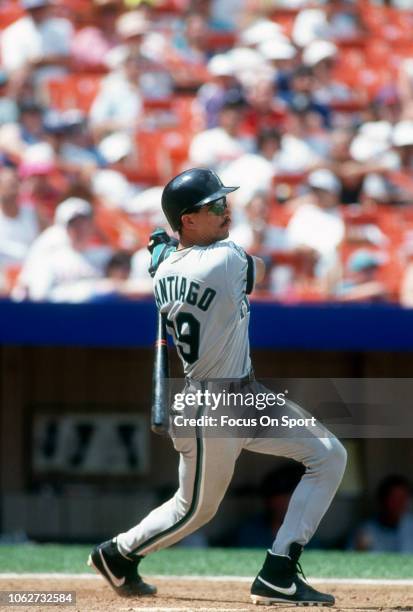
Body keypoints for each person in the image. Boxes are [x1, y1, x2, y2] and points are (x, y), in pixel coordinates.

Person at [88, 168, 347, 606]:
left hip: (243, 391)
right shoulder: (225, 258)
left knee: (328, 454)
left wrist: (164, 259)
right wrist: (169, 257)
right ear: (187, 220)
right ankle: (119, 552)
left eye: (223, 202)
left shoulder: (164, 269)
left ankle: (278, 571)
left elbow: (177, 269)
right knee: (195, 510)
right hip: (210, 402)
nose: (225, 210)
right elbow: (258, 269)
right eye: (212, 206)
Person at [351, 475, 413, 553]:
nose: (399, 504)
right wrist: (360, 551)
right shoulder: (365, 531)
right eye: (394, 499)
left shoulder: (410, 526)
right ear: (382, 500)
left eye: (403, 499)